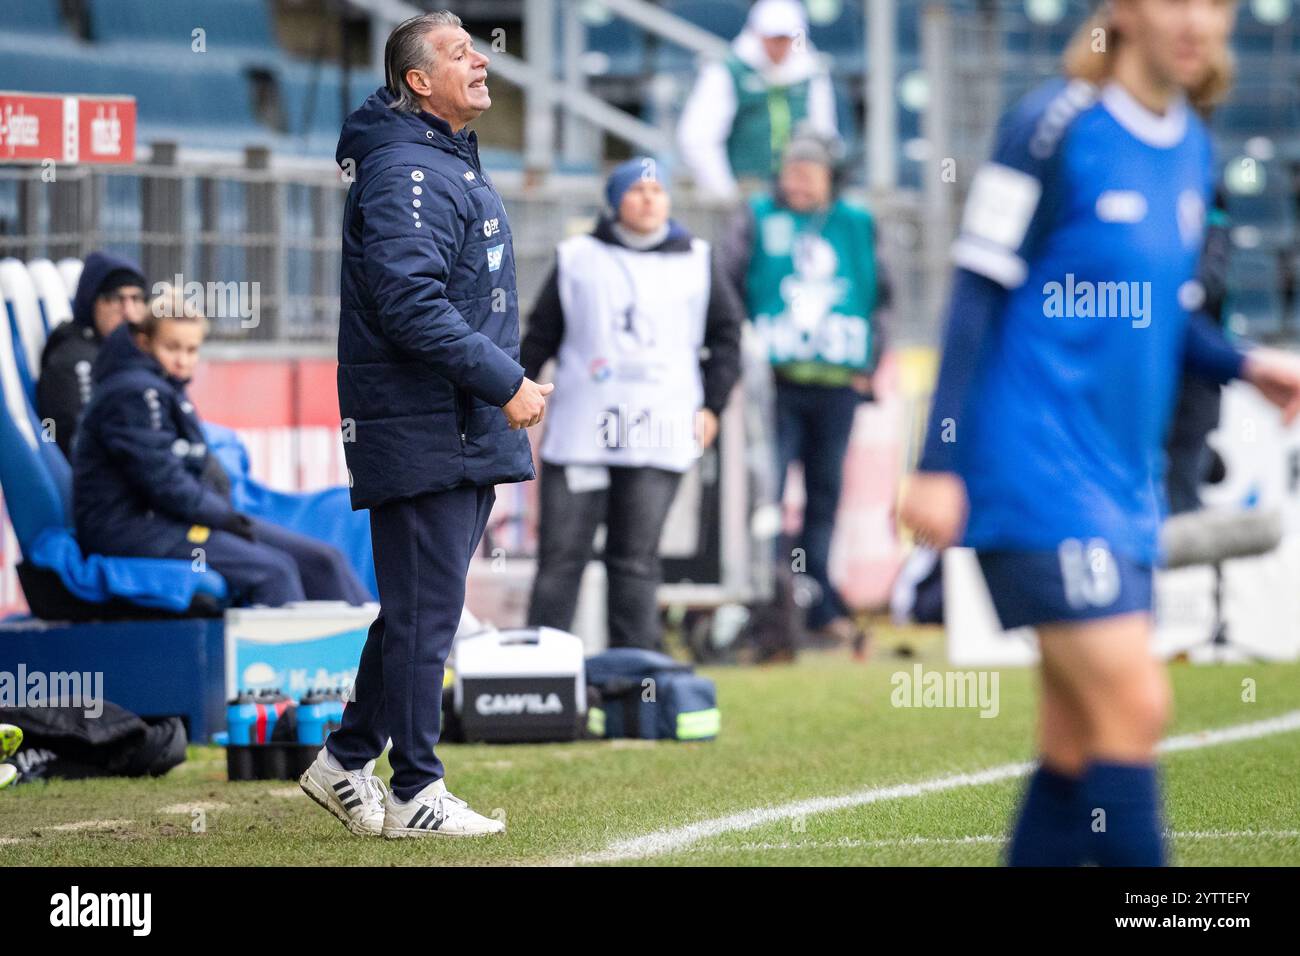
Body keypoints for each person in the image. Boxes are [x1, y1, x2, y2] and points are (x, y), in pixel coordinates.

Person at [899, 0, 1300, 866]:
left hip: (1122, 484)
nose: (1197, 20)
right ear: (1121, 9)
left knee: (1076, 743)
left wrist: (1245, 364)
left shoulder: (1192, 145)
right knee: (1137, 707)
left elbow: (1169, 312)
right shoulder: (1051, 125)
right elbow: (976, 287)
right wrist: (938, 459)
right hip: (1033, 467)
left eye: (1217, 2)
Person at [300, 10, 550, 840]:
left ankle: (344, 761)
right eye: (458, 53)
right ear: (418, 81)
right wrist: (504, 380)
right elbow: (411, 306)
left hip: (456, 427)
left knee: (416, 612)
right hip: (422, 427)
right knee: (423, 617)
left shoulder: (438, 159)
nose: (481, 61)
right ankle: (415, 792)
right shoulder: (405, 170)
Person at [521, 158, 744, 650]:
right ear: (615, 200)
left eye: (657, 189)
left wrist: (712, 407)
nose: (648, 198)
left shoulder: (698, 259)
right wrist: (515, 389)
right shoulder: (577, 256)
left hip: (657, 433)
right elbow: (540, 336)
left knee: (635, 559)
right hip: (582, 434)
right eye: (636, 190)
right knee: (561, 558)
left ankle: (636, 678)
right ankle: (540, 673)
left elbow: (727, 341)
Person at [72, 287, 370, 609]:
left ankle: (374, 653)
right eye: (172, 348)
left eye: (191, 350)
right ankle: (280, 659)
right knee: (274, 572)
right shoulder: (133, 393)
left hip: (173, 518)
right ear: (145, 343)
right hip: (131, 528)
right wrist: (222, 516)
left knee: (323, 560)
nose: (182, 360)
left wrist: (222, 512)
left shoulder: (163, 387)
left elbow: (193, 469)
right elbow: (164, 482)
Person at [719, 128, 888, 653]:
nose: (798, 182)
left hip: (837, 384)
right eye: (791, 171)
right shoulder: (758, 216)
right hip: (775, 383)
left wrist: (870, 362)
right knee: (765, 493)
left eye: (809, 173)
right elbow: (727, 283)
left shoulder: (857, 223)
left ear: (830, 178)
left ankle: (817, 602)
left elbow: (881, 297)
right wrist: (738, 350)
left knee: (825, 495)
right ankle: (768, 598)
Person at [677, 0, 837, 203]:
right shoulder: (726, 71)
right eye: (772, 38)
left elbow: (824, 134)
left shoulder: (812, 73)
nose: (778, 46)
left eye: (785, 38)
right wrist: (726, 192)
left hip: (798, 197)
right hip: (746, 190)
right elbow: (698, 138)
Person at [37, 251, 147, 457]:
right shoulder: (75, 360)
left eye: (136, 298)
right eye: (116, 299)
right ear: (91, 302)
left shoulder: (127, 353)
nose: (129, 312)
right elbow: (80, 443)